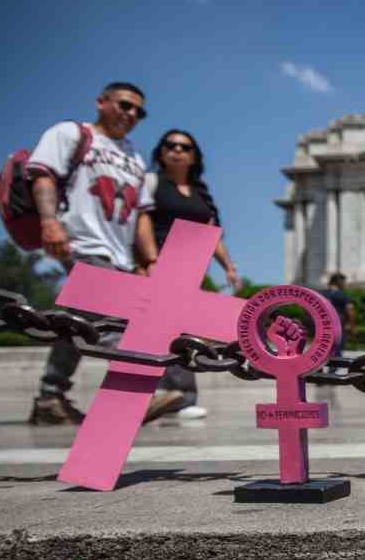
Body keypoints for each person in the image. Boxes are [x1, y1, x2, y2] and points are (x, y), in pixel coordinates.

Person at [26, 82, 154, 425]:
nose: (131, 115)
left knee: (75, 324)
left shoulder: (134, 157)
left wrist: (147, 261)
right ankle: (146, 384)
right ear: (101, 102)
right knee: (112, 322)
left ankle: (50, 397)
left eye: (138, 111)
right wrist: (50, 221)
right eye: (124, 105)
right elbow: (43, 176)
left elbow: (140, 214)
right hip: (82, 242)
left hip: (120, 254)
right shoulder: (71, 133)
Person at [134, 129, 243, 422]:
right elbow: (141, 220)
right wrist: (149, 259)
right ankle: (160, 394)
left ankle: (183, 398)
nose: (178, 151)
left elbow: (211, 232)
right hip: (159, 262)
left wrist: (229, 268)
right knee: (158, 331)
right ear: (161, 152)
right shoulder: (151, 183)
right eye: (171, 146)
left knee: (181, 333)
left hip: (190, 267)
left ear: (194, 156)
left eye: (185, 147)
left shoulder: (201, 192)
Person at [322, 272, 357, 357]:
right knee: (337, 351)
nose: (345, 284)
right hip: (338, 327)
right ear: (339, 282)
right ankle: (333, 369)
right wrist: (351, 325)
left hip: (323, 327)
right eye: (344, 282)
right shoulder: (342, 295)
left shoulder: (322, 294)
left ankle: (321, 369)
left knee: (322, 351)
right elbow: (350, 310)